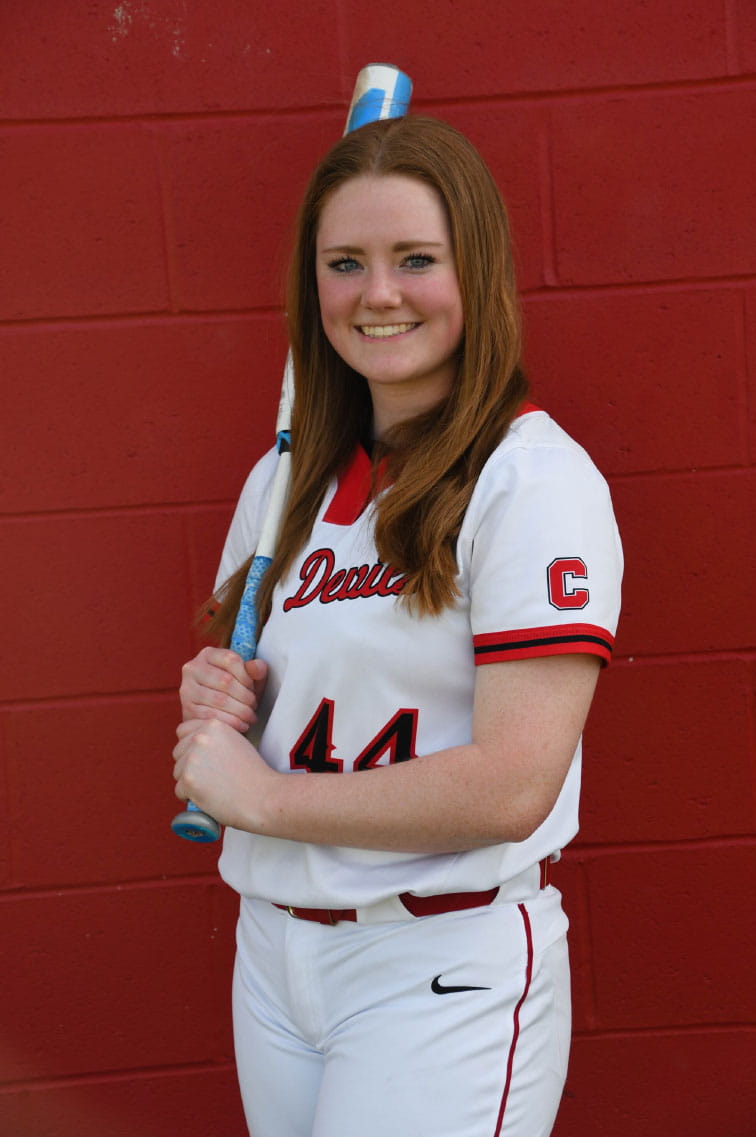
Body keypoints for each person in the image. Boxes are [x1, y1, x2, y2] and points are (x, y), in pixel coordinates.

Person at [172, 115, 623, 1137]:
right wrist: (218, 699)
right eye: (345, 263)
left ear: (477, 272)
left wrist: (267, 801)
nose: (376, 293)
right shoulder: (285, 481)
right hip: (276, 956)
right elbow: (270, 694)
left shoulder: (532, 481)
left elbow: (513, 784)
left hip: (436, 965)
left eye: (413, 259)